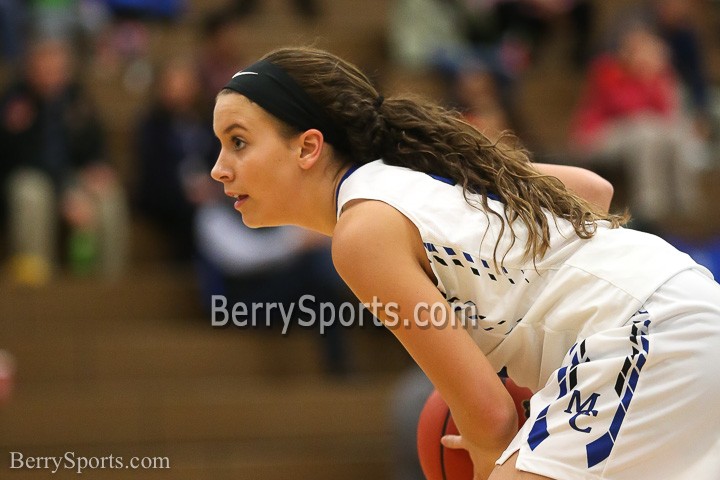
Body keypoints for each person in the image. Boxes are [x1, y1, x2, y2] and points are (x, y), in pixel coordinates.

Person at [209, 47, 720, 479]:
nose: (218, 169)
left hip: (645, 334)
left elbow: (490, 417)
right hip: (684, 300)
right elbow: (592, 190)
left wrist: (489, 458)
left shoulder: (362, 233)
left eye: (239, 142)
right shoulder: (422, 176)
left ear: (308, 147)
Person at [0, 37, 128, 283]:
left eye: (57, 70)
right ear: (30, 70)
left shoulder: (78, 99)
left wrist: (98, 170)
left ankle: (109, 283)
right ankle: (35, 280)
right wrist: (65, 194)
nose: (51, 76)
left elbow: (95, 145)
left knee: (109, 196)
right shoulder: (14, 102)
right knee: (30, 193)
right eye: (44, 69)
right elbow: (16, 158)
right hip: (31, 177)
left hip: (72, 178)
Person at [568, 22, 711, 232]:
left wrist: (656, 78)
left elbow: (667, 114)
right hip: (597, 136)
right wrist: (645, 77)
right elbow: (624, 107)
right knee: (646, 130)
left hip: (641, 133)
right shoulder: (607, 69)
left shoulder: (661, 74)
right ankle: (650, 208)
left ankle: (685, 206)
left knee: (677, 133)